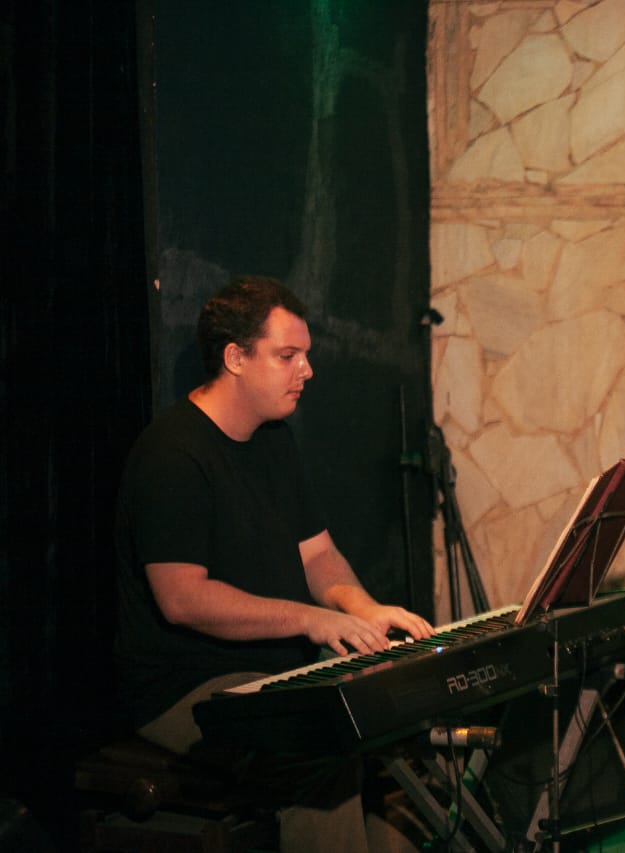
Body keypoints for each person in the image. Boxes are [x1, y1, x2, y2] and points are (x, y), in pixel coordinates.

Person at [114, 275, 434, 853]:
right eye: (288, 356)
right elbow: (182, 598)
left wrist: (364, 610)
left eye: (305, 356)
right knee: (316, 751)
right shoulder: (172, 454)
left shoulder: (273, 441)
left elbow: (318, 554)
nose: (306, 371)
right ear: (235, 357)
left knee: (393, 733)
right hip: (184, 684)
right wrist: (313, 621)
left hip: (272, 674)